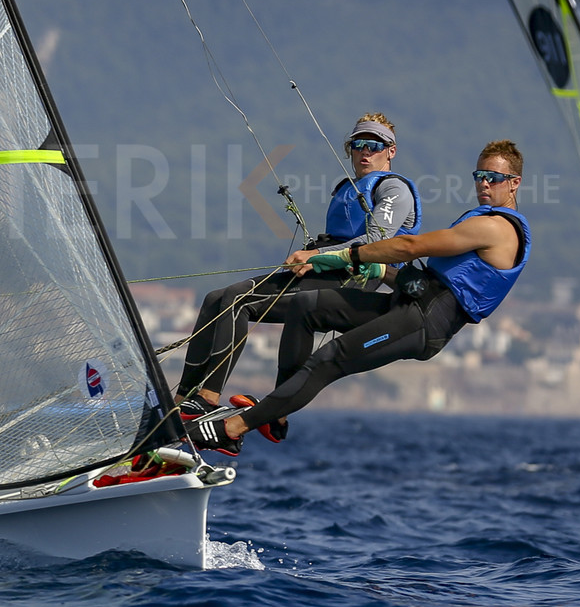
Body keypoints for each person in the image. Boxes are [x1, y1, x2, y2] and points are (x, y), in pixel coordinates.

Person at [187, 140, 529, 454]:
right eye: (479, 175)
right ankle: (275, 415)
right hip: (407, 304)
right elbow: (426, 277)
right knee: (308, 307)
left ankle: (231, 429)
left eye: (494, 178)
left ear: (514, 183)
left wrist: (345, 257)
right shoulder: (482, 221)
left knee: (328, 359)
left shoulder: (497, 228)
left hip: (424, 325)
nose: (484, 184)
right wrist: (383, 272)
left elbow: (410, 246)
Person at [173, 115, 421, 422]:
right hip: (325, 267)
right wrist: (317, 256)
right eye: (358, 145)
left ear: (391, 151)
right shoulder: (350, 186)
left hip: (352, 278)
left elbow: (373, 241)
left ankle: (208, 397)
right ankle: (181, 400)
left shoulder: (395, 189)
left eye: (374, 145)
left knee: (239, 303)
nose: (364, 152)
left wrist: (316, 256)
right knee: (216, 299)